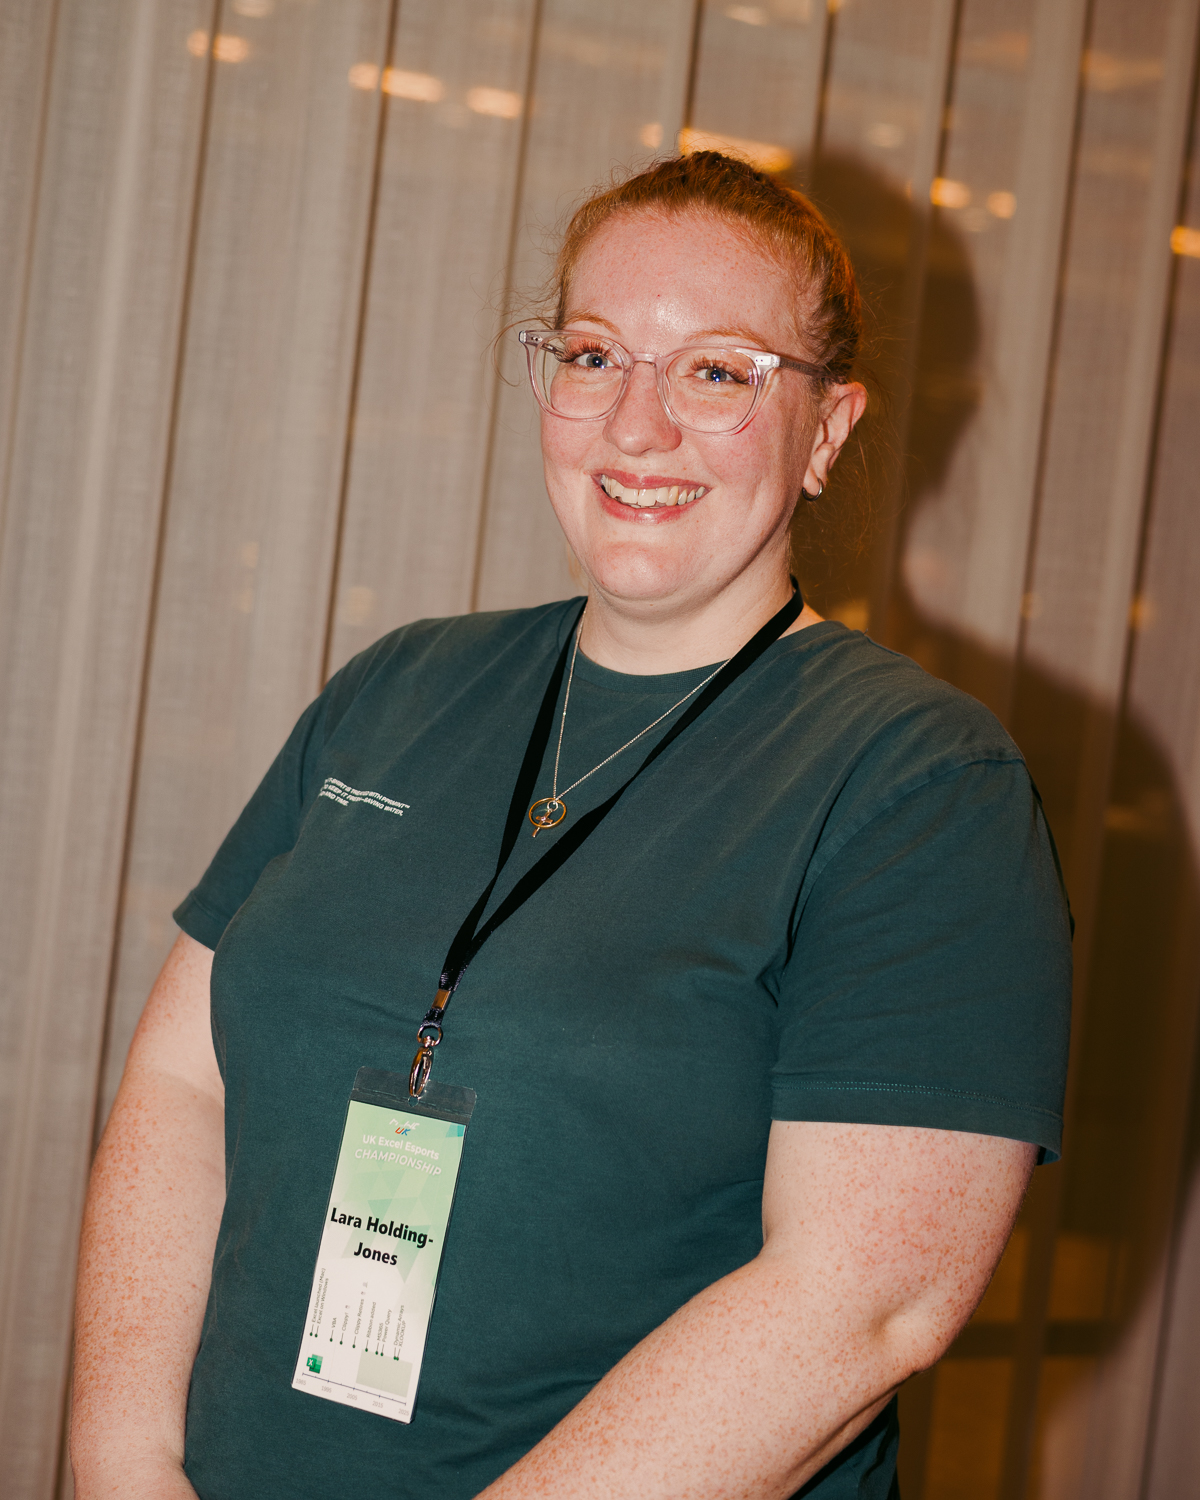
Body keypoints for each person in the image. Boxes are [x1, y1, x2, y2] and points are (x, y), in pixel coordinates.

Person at [71, 152, 1071, 1500]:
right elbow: (183, 1083)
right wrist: (122, 1462)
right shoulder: (402, 687)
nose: (635, 427)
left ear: (827, 430)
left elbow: (861, 1305)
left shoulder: (919, 783)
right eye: (594, 355)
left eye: (718, 371)